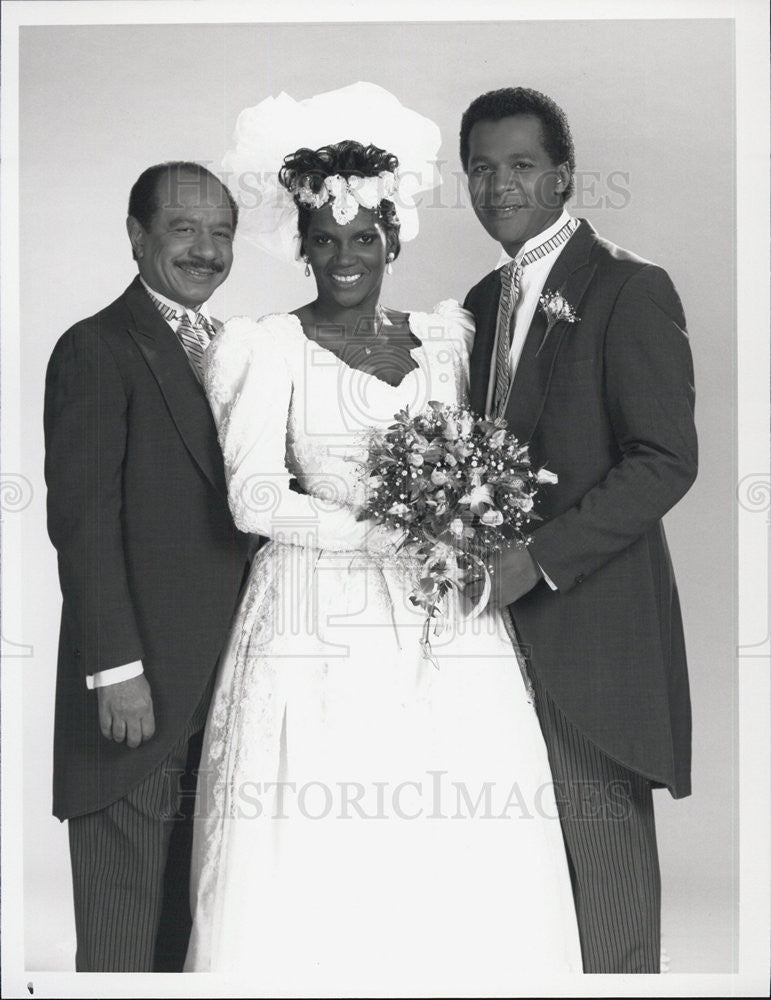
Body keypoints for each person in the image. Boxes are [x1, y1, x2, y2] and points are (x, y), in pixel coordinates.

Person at [184, 127, 583, 989]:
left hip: (436, 605)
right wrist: (376, 529)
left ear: (392, 237)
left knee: (449, 801)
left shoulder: (445, 339)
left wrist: (461, 519)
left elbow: (473, 454)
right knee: (324, 805)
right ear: (302, 248)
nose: (343, 257)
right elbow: (252, 496)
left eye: (362, 238)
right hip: (314, 609)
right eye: (322, 241)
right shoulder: (269, 346)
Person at [460, 87, 698, 973]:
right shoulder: (480, 301)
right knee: (518, 877)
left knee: (603, 878)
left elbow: (664, 460)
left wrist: (539, 561)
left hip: (588, 624)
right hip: (487, 631)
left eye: (520, 166)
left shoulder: (629, 288)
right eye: (481, 169)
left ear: (563, 175)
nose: (499, 186)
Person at [43, 161, 250, 972]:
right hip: (134, 694)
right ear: (136, 238)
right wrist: (115, 670)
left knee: (187, 938)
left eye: (222, 234)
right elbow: (83, 524)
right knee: (123, 941)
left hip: (225, 687)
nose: (206, 250)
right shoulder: (96, 348)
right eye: (184, 230)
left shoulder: (238, 351)